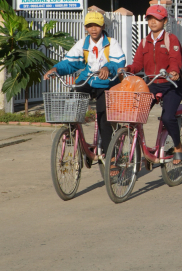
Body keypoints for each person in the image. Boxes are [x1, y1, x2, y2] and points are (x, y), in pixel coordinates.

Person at [43, 10, 125, 160]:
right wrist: (56, 69)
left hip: (105, 82)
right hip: (88, 79)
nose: (93, 29)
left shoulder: (111, 43)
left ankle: (111, 157)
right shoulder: (82, 43)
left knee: (103, 118)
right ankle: (71, 130)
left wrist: (108, 68)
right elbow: (70, 62)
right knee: (74, 96)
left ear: (103, 26)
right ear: (85, 27)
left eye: (97, 25)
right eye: (89, 25)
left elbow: (119, 62)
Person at [125, 5, 182, 165]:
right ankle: (142, 150)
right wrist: (128, 69)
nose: (153, 22)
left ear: (164, 21)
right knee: (135, 115)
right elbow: (138, 64)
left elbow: (175, 60)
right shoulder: (145, 42)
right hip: (152, 84)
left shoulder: (170, 39)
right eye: (150, 19)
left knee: (167, 117)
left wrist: (173, 71)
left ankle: (178, 147)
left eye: (157, 19)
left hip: (171, 84)